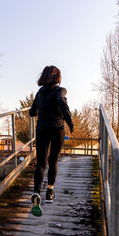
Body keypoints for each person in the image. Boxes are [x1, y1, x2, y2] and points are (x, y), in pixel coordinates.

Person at [29, 65, 73, 217]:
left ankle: (36, 193)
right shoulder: (60, 90)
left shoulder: (39, 93)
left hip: (42, 129)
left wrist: (38, 109)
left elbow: (31, 112)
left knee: (41, 163)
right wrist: (70, 123)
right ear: (57, 77)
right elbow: (61, 102)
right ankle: (49, 192)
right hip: (57, 129)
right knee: (53, 160)